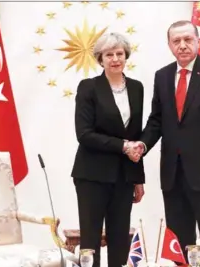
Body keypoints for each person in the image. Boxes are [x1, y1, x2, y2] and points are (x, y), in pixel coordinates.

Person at [132, 20, 200, 264]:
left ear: (198, 42)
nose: (182, 45)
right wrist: (143, 145)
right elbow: (156, 121)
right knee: (179, 242)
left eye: (187, 40)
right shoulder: (162, 76)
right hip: (173, 173)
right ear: (170, 45)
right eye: (176, 41)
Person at [71, 32, 145, 267]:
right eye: (109, 54)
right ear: (100, 59)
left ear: (126, 57)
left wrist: (138, 179)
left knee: (120, 238)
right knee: (91, 238)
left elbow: (135, 136)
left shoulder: (136, 88)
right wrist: (122, 146)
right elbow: (84, 134)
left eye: (119, 54)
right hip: (92, 174)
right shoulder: (88, 87)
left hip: (124, 177)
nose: (115, 59)